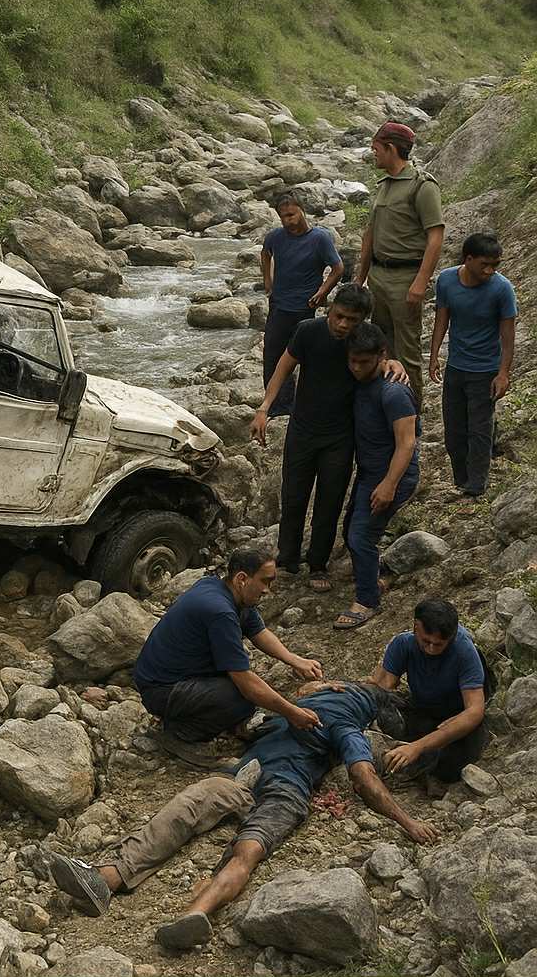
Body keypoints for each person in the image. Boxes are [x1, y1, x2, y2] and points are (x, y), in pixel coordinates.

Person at [45, 680, 439, 950]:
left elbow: (360, 771)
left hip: (250, 778)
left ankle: (113, 880)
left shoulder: (315, 711)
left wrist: (408, 823)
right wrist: (410, 821)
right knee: (245, 848)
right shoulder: (338, 723)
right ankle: (183, 908)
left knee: (185, 811)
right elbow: (364, 777)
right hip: (279, 787)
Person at [251, 284, 408, 593]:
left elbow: (383, 357)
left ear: (362, 320)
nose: (342, 325)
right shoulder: (308, 331)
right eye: (338, 316)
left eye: (351, 320)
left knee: (329, 500)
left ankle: (318, 563)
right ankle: (288, 559)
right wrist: (264, 407)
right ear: (330, 308)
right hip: (302, 428)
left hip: (341, 435)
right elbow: (284, 366)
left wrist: (394, 363)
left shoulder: (364, 339)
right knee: (293, 494)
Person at [133, 547, 323, 760]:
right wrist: (292, 713)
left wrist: (295, 660)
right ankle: (180, 734)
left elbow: (258, 631)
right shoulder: (219, 611)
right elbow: (247, 684)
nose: (267, 590)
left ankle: (222, 724)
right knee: (241, 698)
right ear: (242, 578)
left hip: (178, 675)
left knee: (246, 692)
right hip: (161, 688)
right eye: (265, 581)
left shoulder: (225, 589)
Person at [335, 323, 419, 630]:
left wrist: (389, 484)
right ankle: (377, 576)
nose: (356, 368)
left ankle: (367, 601)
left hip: (392, 476)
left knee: (361, 537)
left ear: (381, 356)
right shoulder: (363, 378)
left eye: (364, 362)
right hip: (369, 472)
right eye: (352, 361)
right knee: (352, 532)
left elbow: (407, 442)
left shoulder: (394, 391)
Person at [355, 121, 445, 405]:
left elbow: (436, 237)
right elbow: (371, 233)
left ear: (391, 148)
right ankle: (386, 403)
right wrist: (360, 278)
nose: (374, 155)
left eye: (377, 149)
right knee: (382, 346)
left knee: (406, 353)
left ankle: (410, 414)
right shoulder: (384, 186)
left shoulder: (422, 186)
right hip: (379, 276)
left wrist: (420, 282)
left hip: (405, 277)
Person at [429, 233, 517, 497]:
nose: (490, 271)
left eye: (495, 265)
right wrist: (434, 356)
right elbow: (442, 319)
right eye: (485, 265)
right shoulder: (446, 280)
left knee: (479, 430)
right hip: (456, 366)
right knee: (454, 430)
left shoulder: (502, 289)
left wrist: (503, 373)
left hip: (485, 370)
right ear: (468, 260)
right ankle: (461, 480)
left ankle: (476, 486)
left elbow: (508, 336)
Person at [370, 598, 489, 783]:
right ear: (416, 627)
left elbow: (474, 711)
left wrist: (417, 747)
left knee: (455, 761)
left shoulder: (464, 651)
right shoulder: (403, 643)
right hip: (422, 711)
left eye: (439, 644)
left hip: (455, 718)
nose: (432, 649)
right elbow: (380, 688)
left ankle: (424, 767)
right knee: (380, 709)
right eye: (426, 642)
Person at [260, 193, 344, 417]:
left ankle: (309, 401)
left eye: (291, 214)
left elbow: (338, 268)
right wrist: (268, 281)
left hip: (304, 307)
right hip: (279, 306)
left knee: (307, 356)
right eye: (283, 216)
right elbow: (265, 253)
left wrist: (322, 291)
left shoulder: (320, 238)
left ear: (302, 211)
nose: (288, 220)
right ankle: (279, 407)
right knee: (272, 356)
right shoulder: (276, 237)